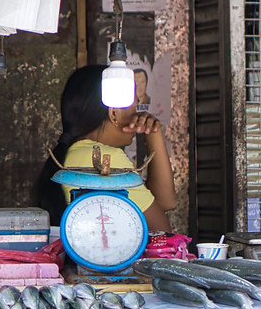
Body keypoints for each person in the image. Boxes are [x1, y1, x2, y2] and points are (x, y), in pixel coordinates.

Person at [37, 64, 175, 232]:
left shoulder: (75, 153)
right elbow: (162, 232)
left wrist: (153, 132)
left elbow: (163, 202)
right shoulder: (103, 157)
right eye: (135, 106)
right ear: (114, 113)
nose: (138, 114)